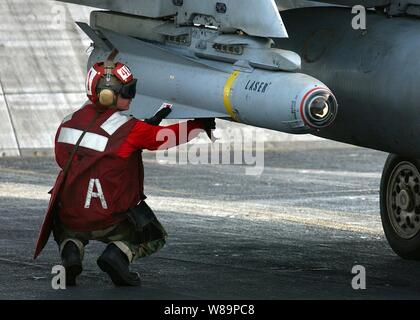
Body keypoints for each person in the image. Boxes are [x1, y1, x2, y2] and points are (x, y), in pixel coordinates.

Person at [34, 53, 216, 287]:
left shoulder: (68, 122)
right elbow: (165, 138)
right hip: (110, 218)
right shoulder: (130, 129)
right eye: (127, 91)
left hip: (72, 216)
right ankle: (118, 255)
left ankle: (71, 249)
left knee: (66, 223)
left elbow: (62, 159)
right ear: (109, 95)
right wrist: (198, 124)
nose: (131, 96)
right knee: (153, 233)